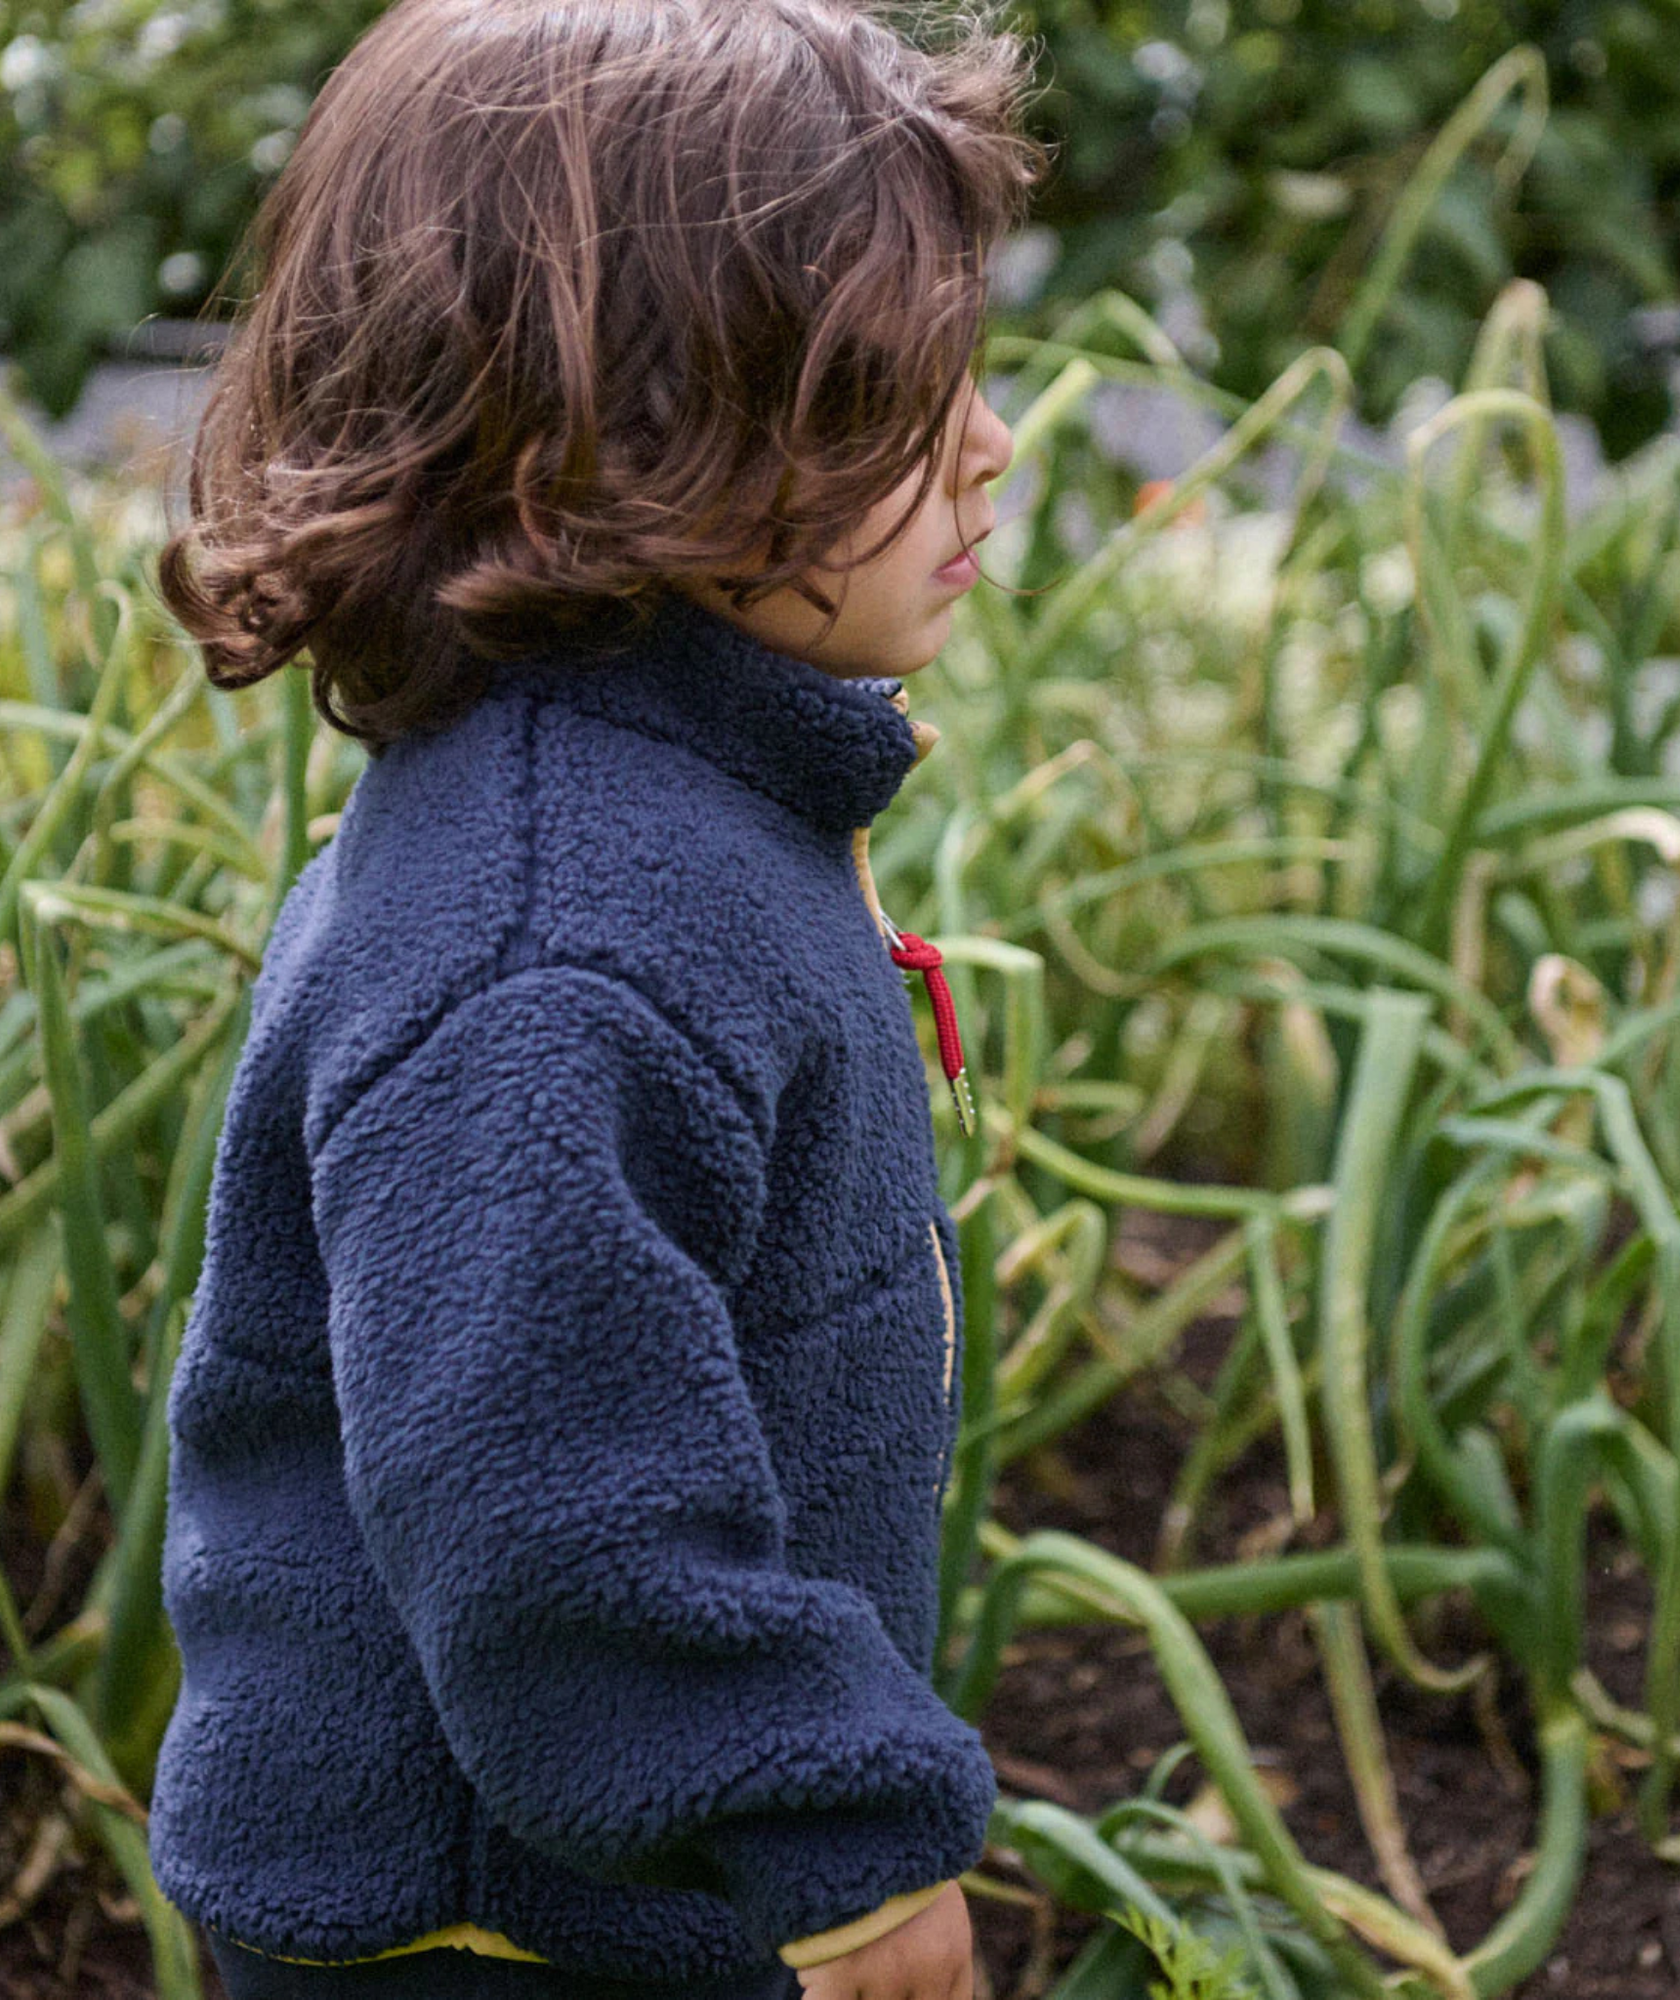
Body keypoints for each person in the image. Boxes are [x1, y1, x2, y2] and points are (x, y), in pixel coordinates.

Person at [143, 0, 1051, 1995]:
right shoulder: (555, 933)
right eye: (889, 390)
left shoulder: (680, 803)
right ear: (620, 428)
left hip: (590, 1865)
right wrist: (844, 1839)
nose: (990, 437)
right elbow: (550, 1503)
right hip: (480, 1920)